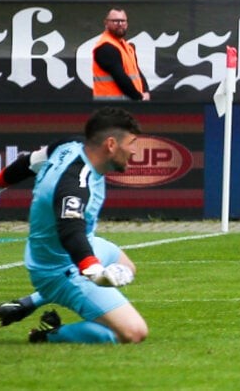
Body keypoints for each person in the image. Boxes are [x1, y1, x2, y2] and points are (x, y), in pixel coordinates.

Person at [18, 107, 148, 343]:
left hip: (71, 249)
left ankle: (31, 301)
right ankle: (50, 335)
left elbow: (26, 163)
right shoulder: (75, 183)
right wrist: (94, 271)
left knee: (125, 267)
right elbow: (70, 231)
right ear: (111, 144)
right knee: (134, 333)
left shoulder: (70, 145)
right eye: (131, 143)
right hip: (61, 268)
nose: (133, 151)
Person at [92, 8, 149, 102]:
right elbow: (120, 78)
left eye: (123, 21)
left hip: (129, 102)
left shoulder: (126, 47)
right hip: (110, 107)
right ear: (106, 23)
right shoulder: (106, 47)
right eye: (115, 21)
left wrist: (146, 91)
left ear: (127, 23)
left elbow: (137, 72)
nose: (120, 24)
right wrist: (139, 97)